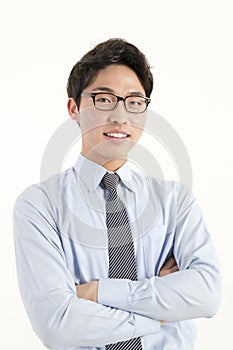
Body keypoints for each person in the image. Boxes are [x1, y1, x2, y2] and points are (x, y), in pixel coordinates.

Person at [13, 38, 221, 350]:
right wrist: (163, 314)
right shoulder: (39, 206)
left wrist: (97, 292)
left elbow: (207, 295)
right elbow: (58, 325)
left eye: (134, 102)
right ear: (74, 108)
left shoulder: (175, 202)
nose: (120, 116)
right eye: (104, 99)